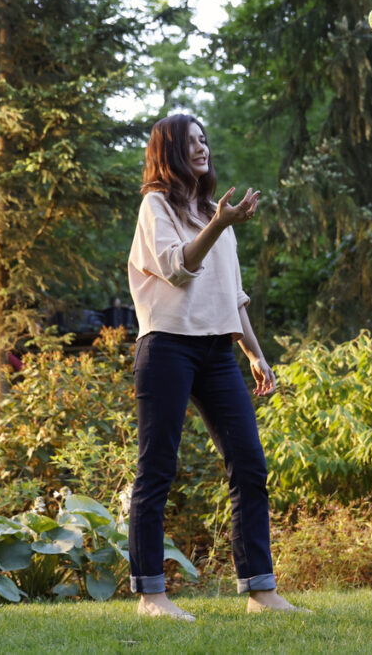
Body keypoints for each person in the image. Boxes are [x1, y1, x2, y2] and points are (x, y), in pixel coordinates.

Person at [126, 113, 302, 619]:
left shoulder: (212, 211)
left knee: (249, 464)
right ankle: (152, 596)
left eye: (204, 140)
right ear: (169, 150)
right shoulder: (156, 206)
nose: (202, 148)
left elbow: (232, 295)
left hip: (218, 352)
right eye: (191, 142)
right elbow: (178, 268)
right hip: (167, 346)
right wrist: (219, 224)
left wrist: (255, 353)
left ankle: (261, 593)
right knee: (157, 468)